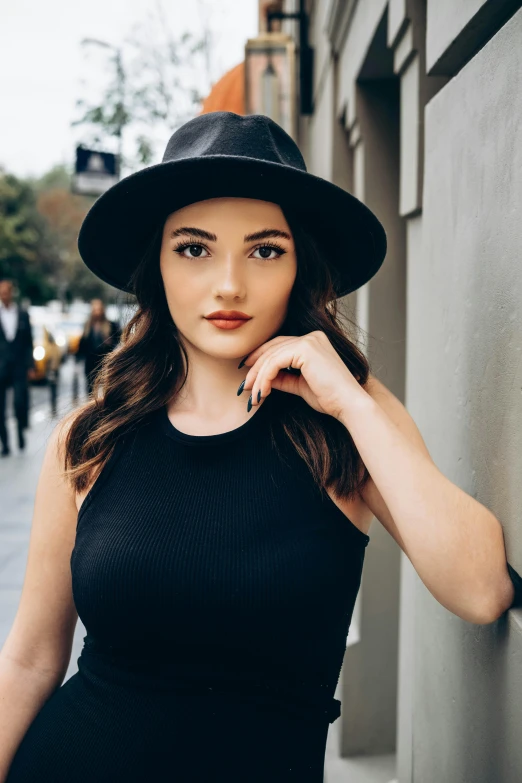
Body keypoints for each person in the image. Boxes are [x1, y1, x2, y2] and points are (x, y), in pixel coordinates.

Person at [1, 112, 519, 782]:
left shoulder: (344, 422)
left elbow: (481, 588)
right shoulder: (91, 436)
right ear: (156, 265)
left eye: (265, 249)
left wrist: (353, 402)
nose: (229, 284)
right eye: (194, 248)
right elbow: (31, 660)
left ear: (300, 261)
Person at [0, 278, 36, 456]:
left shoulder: (22, 314)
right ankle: (5, 444)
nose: (4, 295)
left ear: (12, 293)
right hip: (1, 367)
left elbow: (29, 342)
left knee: (19, 402)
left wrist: (31, 365)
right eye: (2, 292)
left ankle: (21, 431)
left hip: (19, 367)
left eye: (7, 292)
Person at [76, 299, 120, 397]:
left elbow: (118, 341)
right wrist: (78, 359)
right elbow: (83, 344)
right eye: (94, 309)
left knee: (106, 390)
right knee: (90, 390)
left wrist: (110, 342)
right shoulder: (88, 326)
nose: (97, 312)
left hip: (104, 362)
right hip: (90, 362)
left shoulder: (110, 325)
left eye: (98, 309)